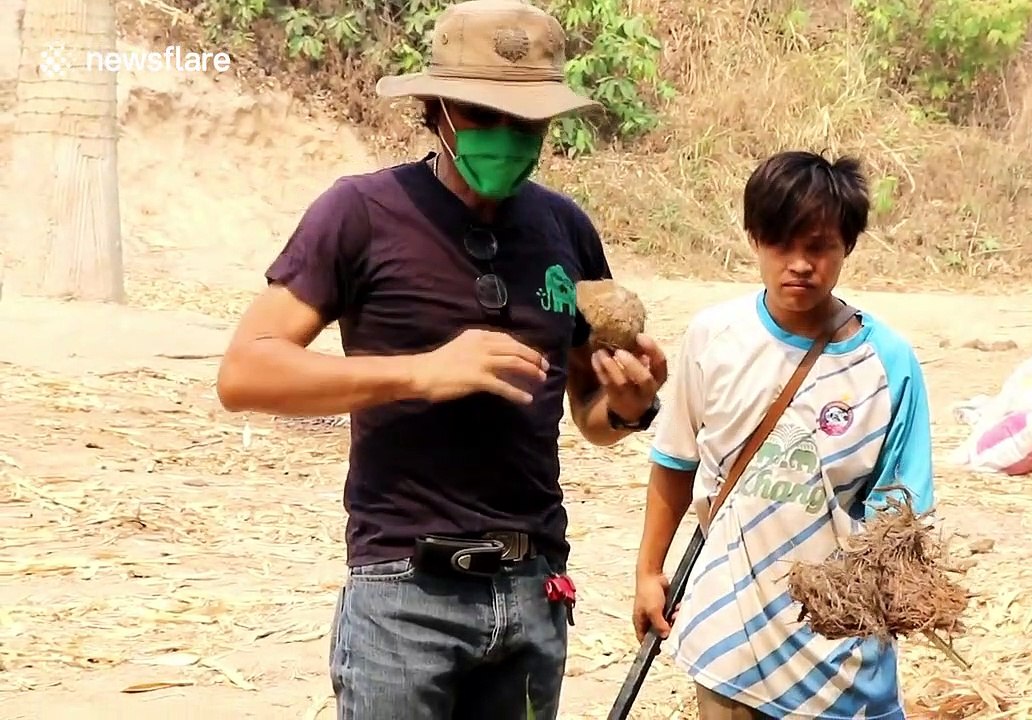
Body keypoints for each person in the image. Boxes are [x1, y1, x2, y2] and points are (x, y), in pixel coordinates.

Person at [214, 1, 669, 717]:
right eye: (485, 116)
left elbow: (589, 413)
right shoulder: (359, 212)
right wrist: (422, 372)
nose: (508, 138)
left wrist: (630, 405)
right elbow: (246, 372)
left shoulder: (564, 228)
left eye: (527, 123)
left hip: (533, 588)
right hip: (404, 593)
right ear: (436, 110)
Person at [631, 150, 936, 720]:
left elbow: (902, 514)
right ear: (754, 238)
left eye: (819, 246)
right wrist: (649, 573)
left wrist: (882, 602)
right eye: (782, 243)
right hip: (731, 641)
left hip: (840, 657)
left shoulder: (888, 362)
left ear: (847, 245)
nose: (800, 263)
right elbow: (674, 463)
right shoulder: (714, 337)